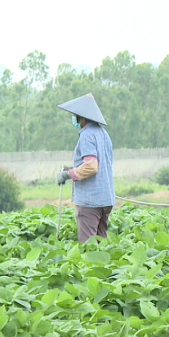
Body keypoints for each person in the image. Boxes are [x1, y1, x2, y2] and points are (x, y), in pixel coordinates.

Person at [55, 93, 115, 242]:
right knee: (101, 244)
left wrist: (67, 174)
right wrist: (74, 168)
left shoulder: (86, 135)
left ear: (81, 116)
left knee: (88, 246)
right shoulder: (103, 133)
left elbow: (91, 166)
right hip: (106, 198)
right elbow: (97, 162)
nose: (73, 117)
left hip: (91, 201)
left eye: (74, 114)